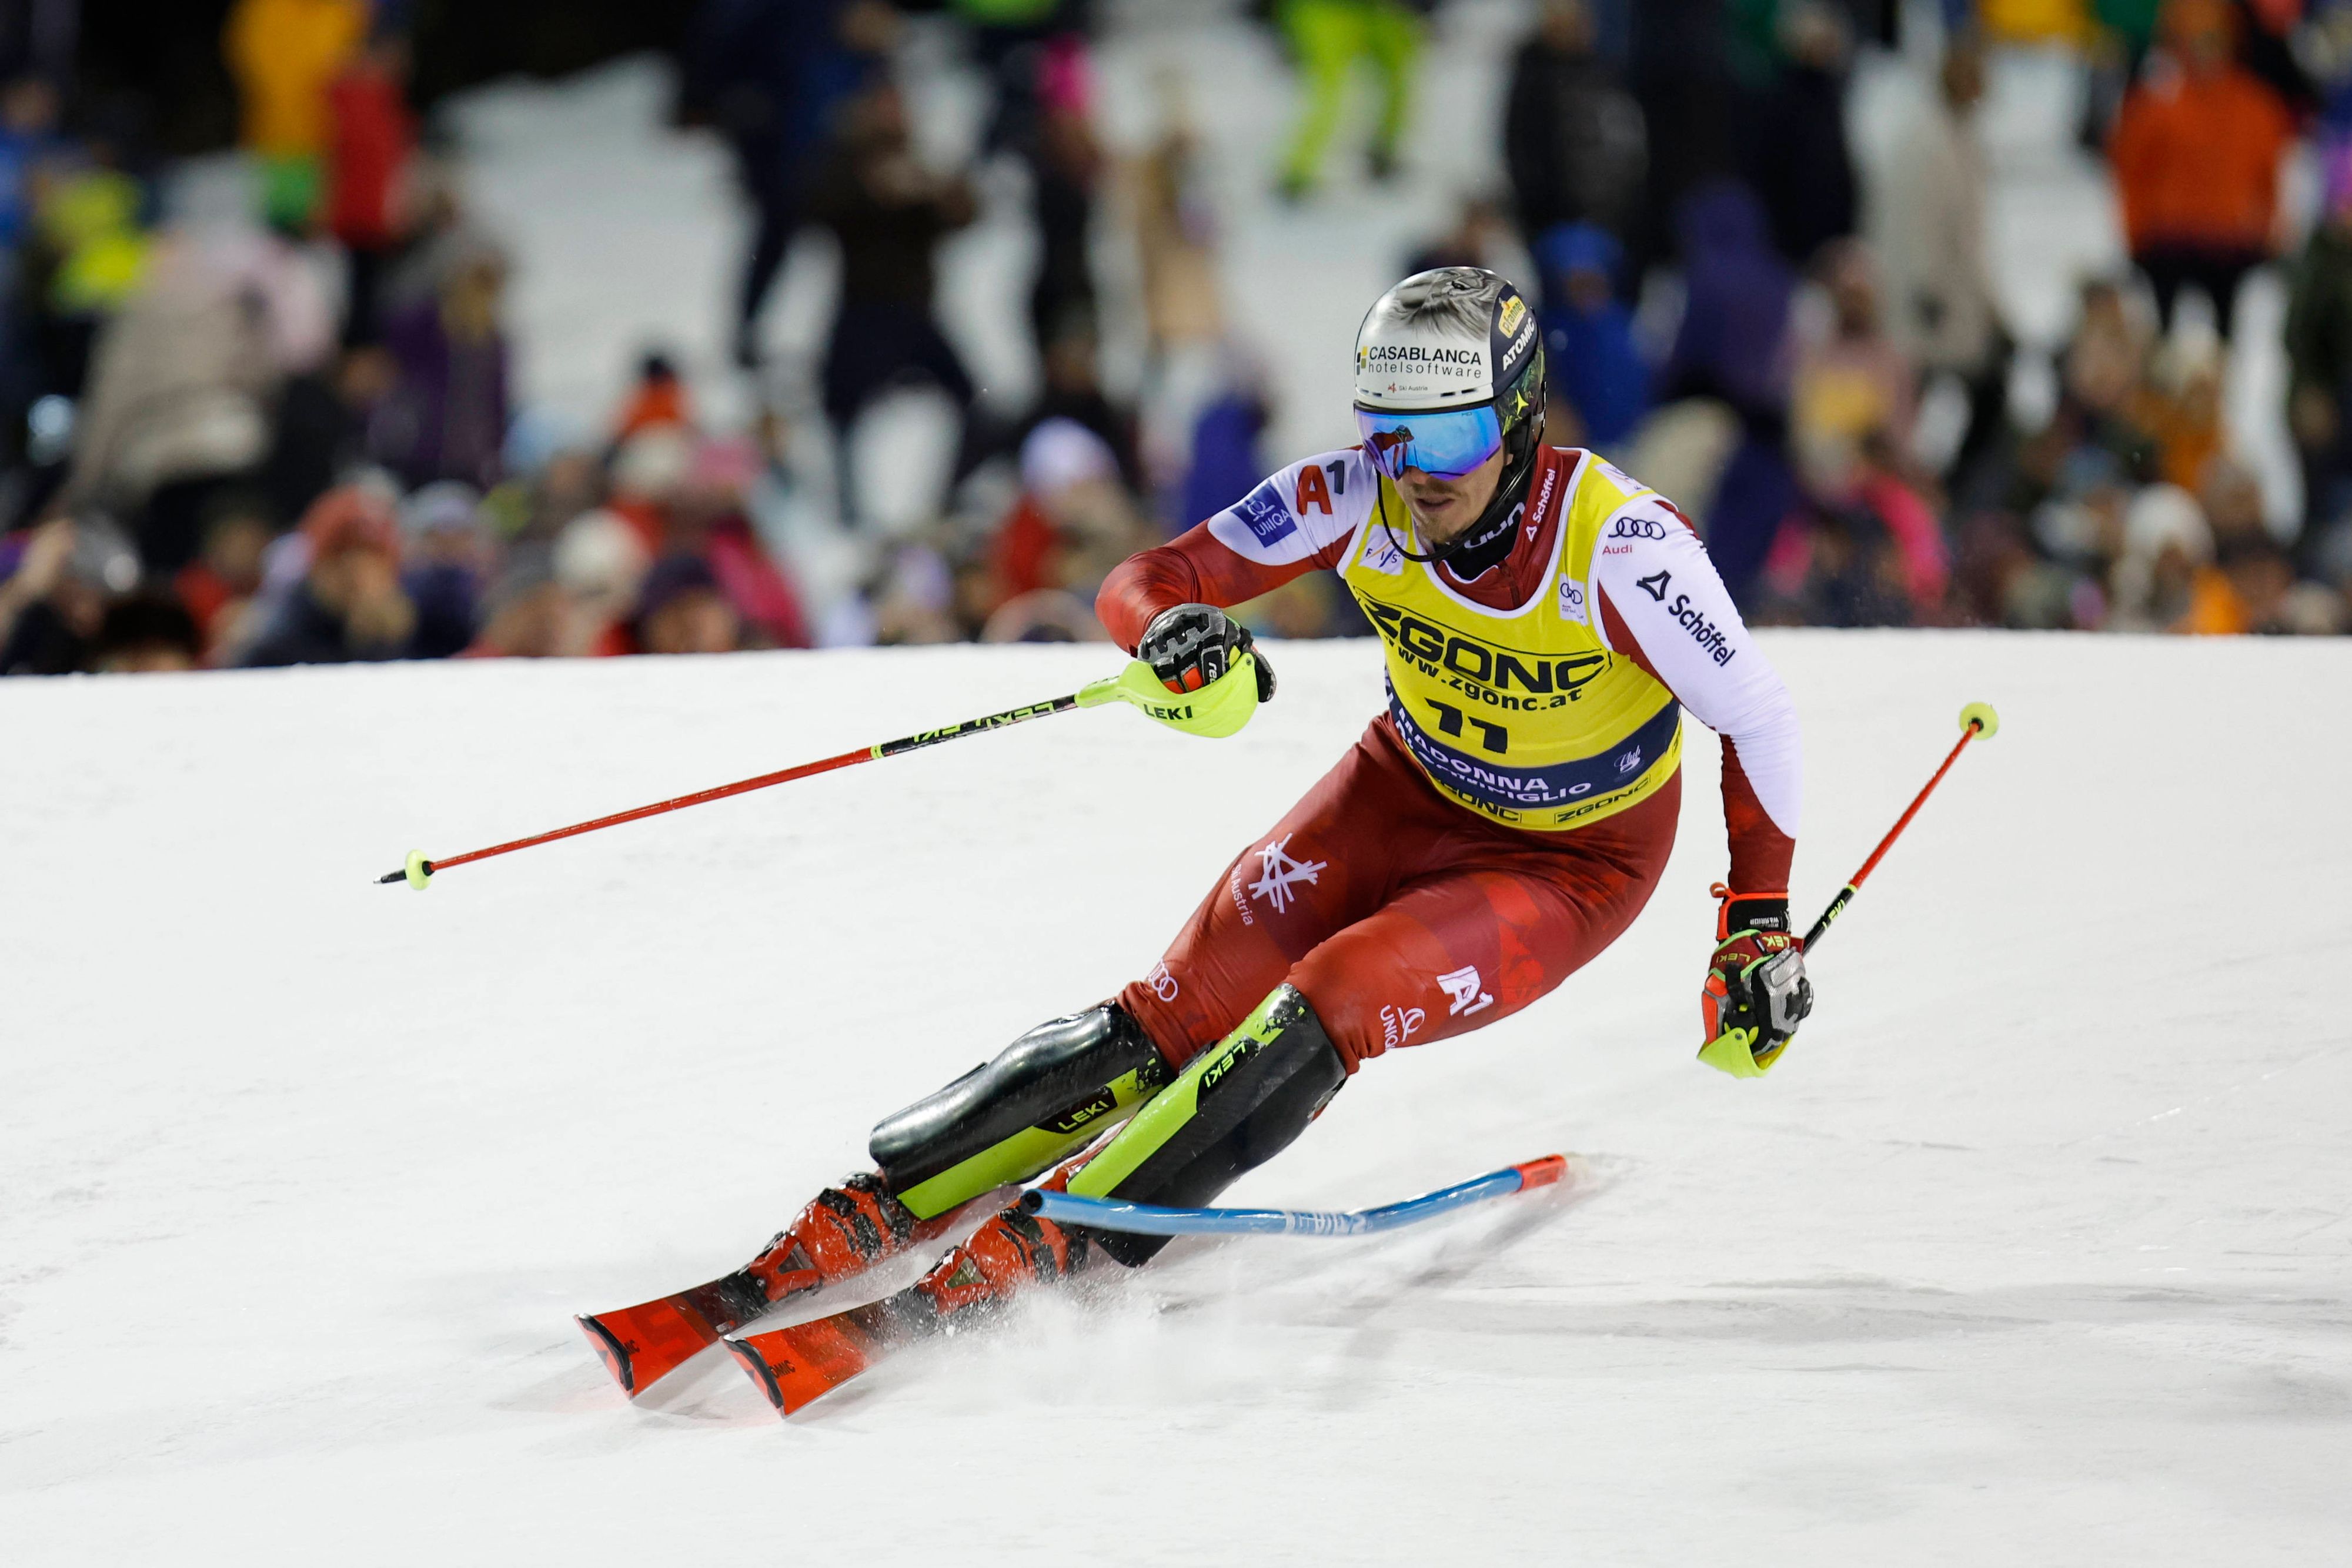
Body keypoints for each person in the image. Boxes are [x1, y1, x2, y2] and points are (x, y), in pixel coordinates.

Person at [609, 268, 1810, 1387]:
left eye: (1447, 438)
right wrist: (1167, 632)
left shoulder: (1621, 546)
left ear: (1519, 419)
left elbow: (1756, 716)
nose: (1415, 471)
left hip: (1569, 859)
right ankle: (878, 1201)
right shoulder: (1358, 494)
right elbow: (1149, 576)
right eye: (1386, 434)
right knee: (1174, 1012)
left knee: (1335, 993)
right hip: (1402, 790)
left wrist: (1754, 923)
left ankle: (1057, 1241)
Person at [2108, 0, 2296, 340]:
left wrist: (2267, 232)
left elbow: (2269, 178)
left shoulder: (2255, 107)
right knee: (2162, 334)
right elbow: (2132, 171)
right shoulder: (2159, 105)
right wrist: (2135, 232)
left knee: (2226, 335)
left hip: (2228, 241)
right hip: (2170, 239)